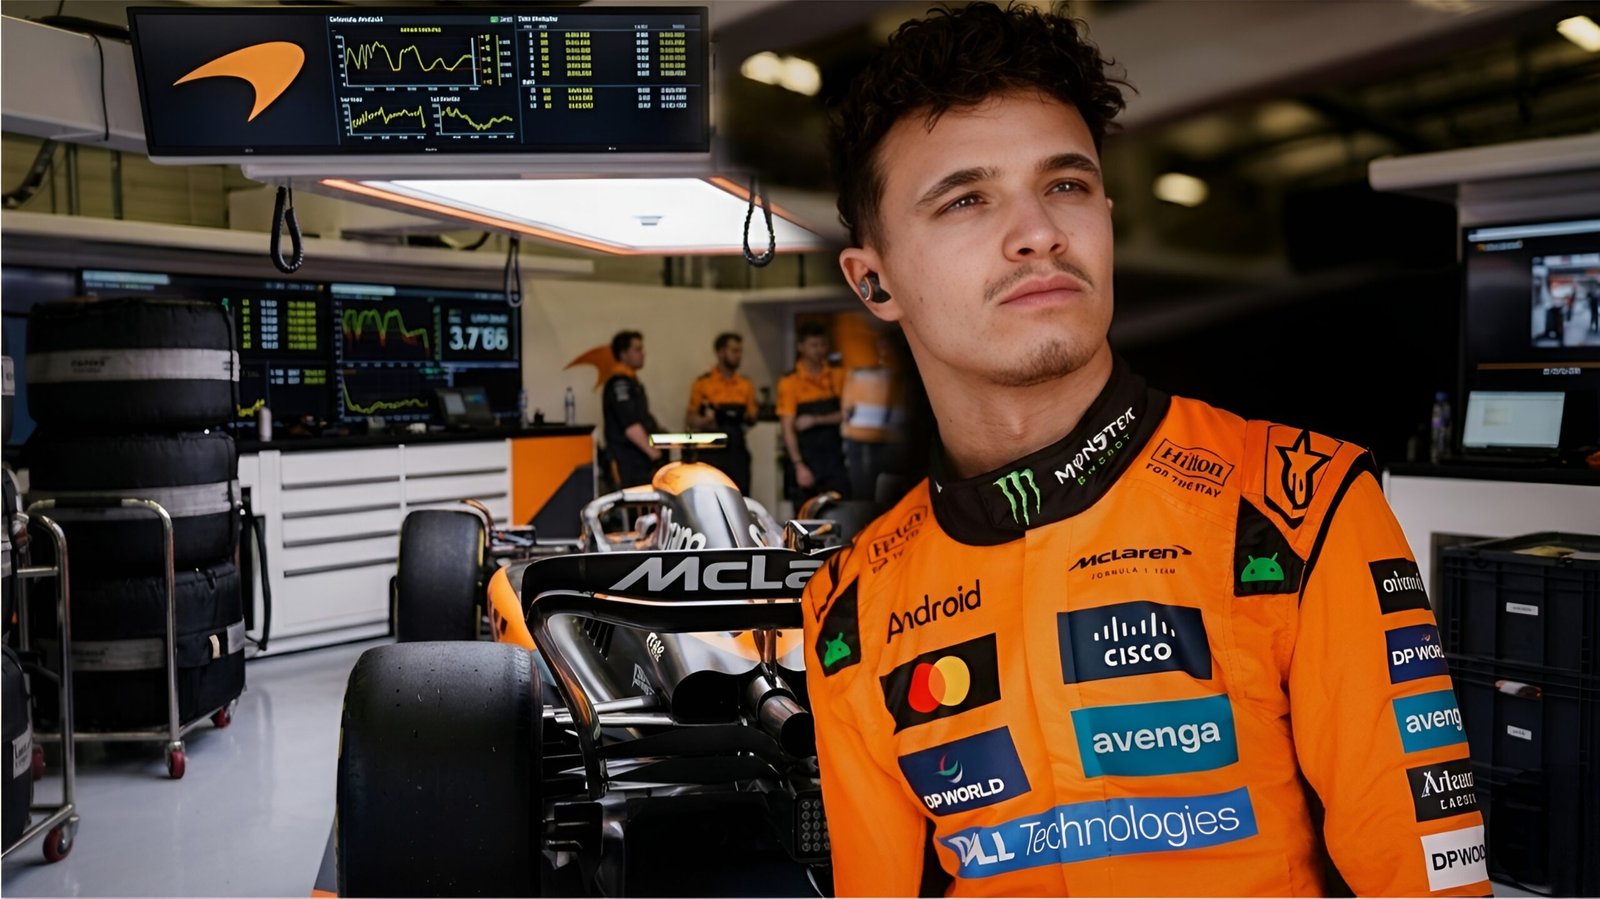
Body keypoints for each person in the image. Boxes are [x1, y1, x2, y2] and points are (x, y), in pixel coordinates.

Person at [801, 5, 1488, 897]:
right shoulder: (850, 608)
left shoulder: (1299, 509)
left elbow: (1429, 882)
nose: (1039, 231)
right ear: (874, 279)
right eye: (967, 199)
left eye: (1068, 185)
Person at [778, 322, 849, 505]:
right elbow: (787, 428)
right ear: (801, 347)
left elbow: (847, 414)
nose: (819, 350)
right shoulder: (790, 382)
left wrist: (816, 420)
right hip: (806, 458)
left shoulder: (837, 375)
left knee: (839, 511)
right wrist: (799, 465)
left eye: (822, 345)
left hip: (835, 458)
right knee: (805, 516)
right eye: (813, 345)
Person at [841, 329, 910, 503]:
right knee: (867, 493)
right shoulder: (860, 374)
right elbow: (846, 412)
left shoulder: (903, 377)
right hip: (861, 440)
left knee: (884, 493)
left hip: (891, 442)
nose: (884, 351)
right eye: (882, 346)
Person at [686, 332, 759, 494]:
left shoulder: (745, 384)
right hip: (711, 447)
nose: (738, 356)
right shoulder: (703, 383)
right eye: (734, 351)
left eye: (740, 351)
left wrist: (741, 416)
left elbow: (752, 416)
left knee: (740, 494)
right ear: (720, 352)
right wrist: (706, 420)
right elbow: (690, 419)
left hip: (736, 447)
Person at [601, 330, 662, 488]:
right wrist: (655, 455)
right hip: (627, 462)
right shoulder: (619, 383)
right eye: (637, 349)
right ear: (623, 354)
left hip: (637, 460)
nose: (643, 354)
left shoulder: (632, 382)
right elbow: (631, 426)